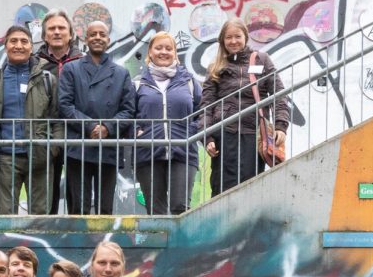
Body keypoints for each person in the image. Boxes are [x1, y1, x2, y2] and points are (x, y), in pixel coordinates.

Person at [200, 15, 287, 196]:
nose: (233, 41)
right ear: (222, 41)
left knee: (251, 187)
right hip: (223, 135)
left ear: (245, 37)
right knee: (222, 187)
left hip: (253, 133)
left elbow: (279, 94)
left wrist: (281, 125)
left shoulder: (262, 60)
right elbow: (206, 105)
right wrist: (207, 137)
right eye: (228, 37)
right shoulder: (215, 67)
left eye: (237, 36)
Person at [58, 19, 135, 216]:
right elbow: (65, 105)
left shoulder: (121, 73)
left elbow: (128, 110)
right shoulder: (71, 69)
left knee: (105, 208)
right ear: (86, 39)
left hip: (108, 146)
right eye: (93, 34)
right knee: (78, 208)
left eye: (102, 34)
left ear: (109, 39)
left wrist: (107, 128)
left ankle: (104, 246)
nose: (98, 38)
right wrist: (90, 127)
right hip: (79, 145)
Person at [0, 23, 57, 215]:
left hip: (40, 156)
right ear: (5, 45)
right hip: (6, 157)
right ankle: (10, 247)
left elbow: (58, 118)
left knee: (40, 217)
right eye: (13, 41)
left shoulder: (47, 80)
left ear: (31, 47)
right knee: (6, 217)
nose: (18, 45)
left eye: (24, 41)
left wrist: (52, 150)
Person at [131, 32, 201, 216]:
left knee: (180, 207)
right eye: (159, 48)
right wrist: (138, 132)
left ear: (175, 53)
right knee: (155, 211)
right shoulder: (138, 84)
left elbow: (203, 111)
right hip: (148, 151)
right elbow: (127, 114)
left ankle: (181, 246)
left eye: (169, 48)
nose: (164, 52)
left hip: (183, 151)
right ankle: (157, 245)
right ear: (150, 53)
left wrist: (191, 131)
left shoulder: (189, 82)